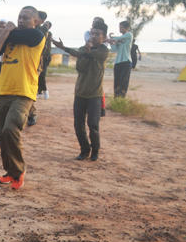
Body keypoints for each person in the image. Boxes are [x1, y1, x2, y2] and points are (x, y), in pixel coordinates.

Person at [0, 6, 45, 190]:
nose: (21, 21)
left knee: (11, 129)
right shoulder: (9, 34)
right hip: (4, 90)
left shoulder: (37, 36)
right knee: (1, 133)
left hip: (24, 92)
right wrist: (5, 31)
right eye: (19, 17)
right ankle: (10, 172)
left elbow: (16, 36)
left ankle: (19, 171)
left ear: (35, 21)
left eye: (26, 18)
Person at [52, 20, 109, 161]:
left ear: (104, 37)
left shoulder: (103, 50)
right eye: (92, 33)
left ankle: (95, 150)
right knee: (78, 124)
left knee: (93, 124)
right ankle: (84, 150)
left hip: (95, 95)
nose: (94, 36)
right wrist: (65, 48)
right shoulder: (83, 50)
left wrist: (81, 52)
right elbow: (79, 68)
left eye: (97, 34)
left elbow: (90, 55)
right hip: (80, 93)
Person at [105, 21, 133, 98]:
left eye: (121, 27)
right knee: (116, 81)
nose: (120, 29)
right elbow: (114, 48)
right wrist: (111, 41)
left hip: (126, 61)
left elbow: (118, 39)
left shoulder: (129, 35)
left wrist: (109, 39)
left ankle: (121, 98)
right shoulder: (117, 40)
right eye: (119, 27)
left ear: (127, 28)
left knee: (123, 81)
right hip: (118, 61)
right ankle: (116, 97)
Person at [36, 13, 53, 100]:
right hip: (37, 55)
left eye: (47, 25)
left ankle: (45, 90)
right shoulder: (34, 28)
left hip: (45, 56)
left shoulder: (47, 32)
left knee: (42, 74)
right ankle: (38, 91)